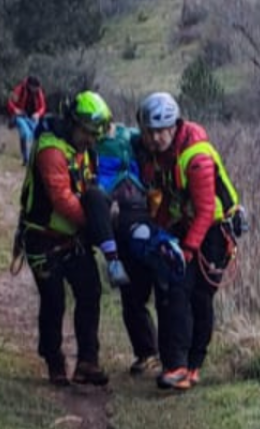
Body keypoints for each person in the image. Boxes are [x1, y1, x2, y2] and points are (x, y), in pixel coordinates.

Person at [136, 92, 246, 391]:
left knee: (199, 297)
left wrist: (186, 251)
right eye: (150, 131)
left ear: (174, 127)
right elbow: (167, 200)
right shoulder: (158, 155)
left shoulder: (196, 157)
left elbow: (206, 209)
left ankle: (193, 365)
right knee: (177, 293)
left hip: (213, 231)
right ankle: (178, 365)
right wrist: (159, 234)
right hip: (185, 226)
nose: (156, 138)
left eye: (161, 131)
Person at [17, 90, 119, 387]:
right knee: (53, 301)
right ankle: (54, 360)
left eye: (95, 135)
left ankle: (88, 361)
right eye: (88, 133)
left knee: (90, 292)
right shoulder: (51, 150)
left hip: (72, 239)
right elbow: (62, 199)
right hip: (43, 239)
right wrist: (96, 226)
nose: (91, 140)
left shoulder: (84, 149)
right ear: (74, 123)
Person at [94, 123, 186, 376]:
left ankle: (154, 354)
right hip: (142, 220)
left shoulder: (139, 148)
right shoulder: (136, 146)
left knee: (137, 293)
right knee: (151, 292)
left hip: (133, 219)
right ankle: (160, 357)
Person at [7, 75, 47, 166]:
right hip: (20, 116)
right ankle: (26, 159)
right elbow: (10, 102)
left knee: (37, 136)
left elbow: (43, 106)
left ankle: (36, 159)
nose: (36, 90)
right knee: (24, 134)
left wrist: (38, 114)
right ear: (30, 86)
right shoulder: (20, 89)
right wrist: (15, 110)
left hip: (33, 118)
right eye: (35, 88)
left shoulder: (38, 92)